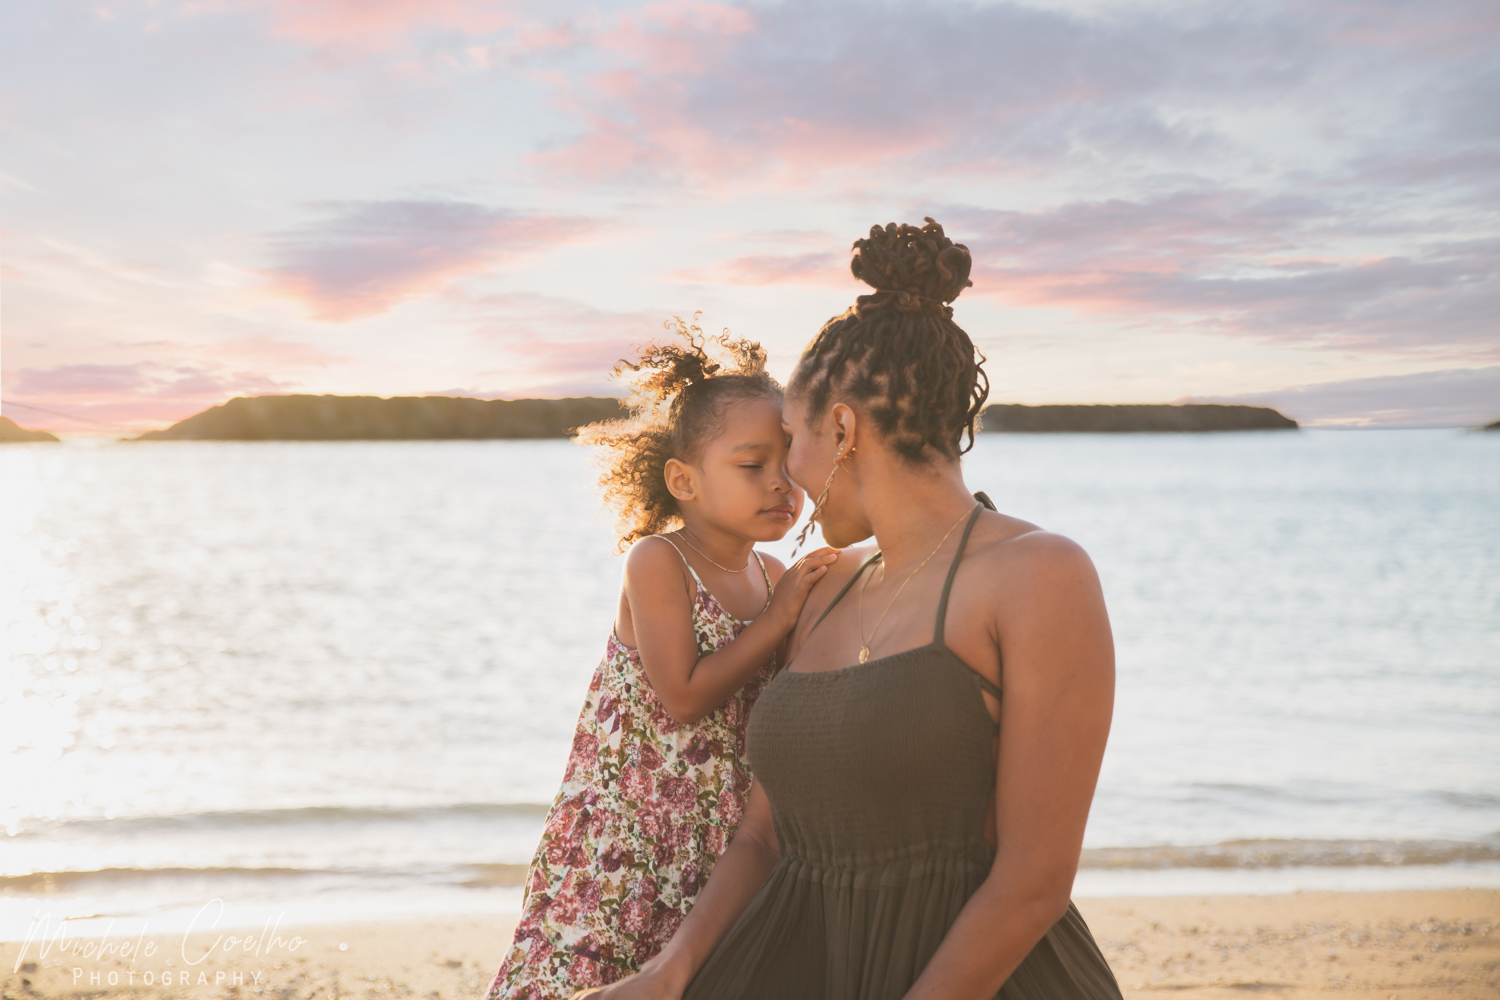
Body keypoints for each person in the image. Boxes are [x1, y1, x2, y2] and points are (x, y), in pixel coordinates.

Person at [579, 221, 1123, 999]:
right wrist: (671, 970)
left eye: (791, 438)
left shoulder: (1041, 574)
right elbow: (763, 835)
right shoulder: (820, 587)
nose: (790, 478)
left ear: (842, 429)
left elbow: (1033, 881)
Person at [485, 318, 839, 999]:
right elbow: (682, 694)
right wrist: (779, 619)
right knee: (587, 976)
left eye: (789, 463)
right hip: (624, 840)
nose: (781, 484)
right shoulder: (659, 561)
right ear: (684, 479)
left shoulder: (773, 576)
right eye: (752, 466)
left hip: (716, 840)